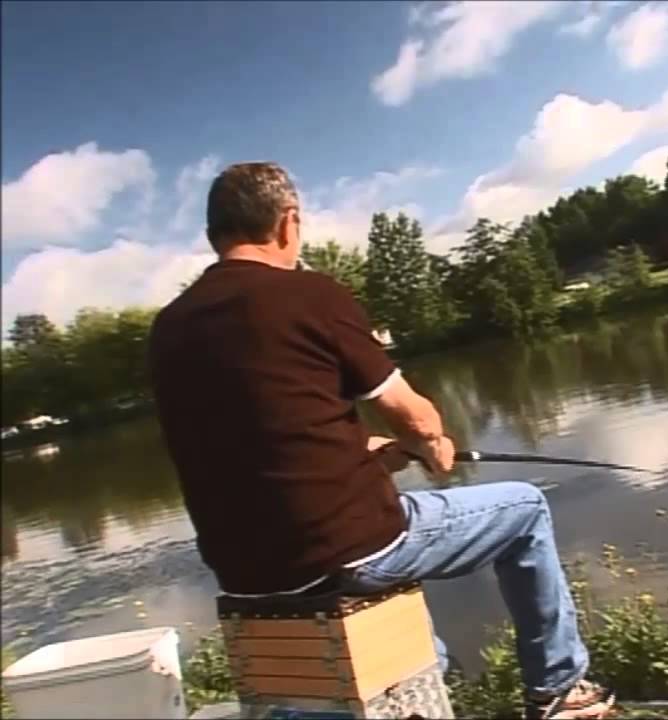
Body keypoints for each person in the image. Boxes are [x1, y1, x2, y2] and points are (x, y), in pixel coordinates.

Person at [148, 162, 614, 720]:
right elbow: (412, 418)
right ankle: (558, 689)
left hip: (245, 574)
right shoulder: (307, 294)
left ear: (213, 235)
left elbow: (263, 437)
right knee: (524, 509)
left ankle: (437, 682)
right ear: (288, 224)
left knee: (406, 614)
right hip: (344, 548)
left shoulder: (168, 329)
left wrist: (364, 454)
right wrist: (434, 444)